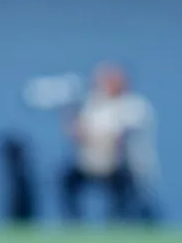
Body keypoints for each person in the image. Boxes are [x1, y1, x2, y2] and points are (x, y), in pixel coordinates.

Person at [60, 62, 159, 224]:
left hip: (125, 166)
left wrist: (97, 136)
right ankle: (74, 223)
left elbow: (120, 135)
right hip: (91, 163)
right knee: (67, 180)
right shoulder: (94, 103)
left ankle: (122, 223)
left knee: (136, 199)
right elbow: (78, 132)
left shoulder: (134, 105)